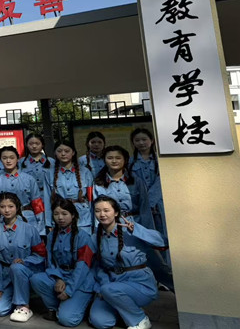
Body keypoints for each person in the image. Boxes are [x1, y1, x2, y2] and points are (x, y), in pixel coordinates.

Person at [93, 146, 173, 292]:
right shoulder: (99, 183)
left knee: (156, 263)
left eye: (118, 158)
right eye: (110, 158)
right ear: (104, 160)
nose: (114, 161)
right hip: (111, 227)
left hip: (135, 225)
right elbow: (97, 209)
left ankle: (180, 292)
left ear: (125, 160)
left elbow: (144, 207)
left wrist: (148, 232)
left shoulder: (136, 181)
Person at [89, 196, 165, 329]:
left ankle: (140, 320)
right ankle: (127, 309)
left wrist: (136, 230)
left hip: (140, 284)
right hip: (112, 285)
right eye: (97, 211)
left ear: (116, 212)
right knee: (100, 321)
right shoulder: (95, 237)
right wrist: (104, 284)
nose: (102, 214)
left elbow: (162, 242)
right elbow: (97, 266)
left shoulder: (130, 230)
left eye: (106, 210)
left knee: (109, 290)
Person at [30, 198, 96, 327]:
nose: (60, 217)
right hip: (62, 275)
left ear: (73, 215)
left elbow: (82, 267)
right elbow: (50, 261)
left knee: (67, 320)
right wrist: (58, 278)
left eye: (64, 213)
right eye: (56, 214)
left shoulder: (83, 237)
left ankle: (79, 305)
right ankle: (55, 308)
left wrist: (69, 290)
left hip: (80, 281)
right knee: (36, 279)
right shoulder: (51, 236)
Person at [0, 192, 46, 323]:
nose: (6, 210)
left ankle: (23, 305)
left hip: (25, 274)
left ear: (17, 207)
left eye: (10, 206)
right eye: (2, 207)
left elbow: (40, 254)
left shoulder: (30, 229)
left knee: (17, 267)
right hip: (5, 278)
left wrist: (25, 261)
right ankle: (14, 297)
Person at [0, 146, 44, 236]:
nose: (8, 161)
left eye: (12, 157)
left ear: (17, 159)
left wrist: (41, 230)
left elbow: (37, 204)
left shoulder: (29, 179)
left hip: (28, 219)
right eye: (4, 158)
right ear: (0, 160)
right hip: (4, 223)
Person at [46, 141, 94, 233]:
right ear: (55, 153)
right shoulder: (49, 173)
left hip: (83, 218)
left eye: (67, 151)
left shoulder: (85, 172)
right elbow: (47, 199)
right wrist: (49, 223)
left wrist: (93, 221)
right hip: (60, 217)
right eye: (59, 151)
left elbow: (91, 199)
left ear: (73, 153)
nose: (63, 154)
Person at [129, 129, 167, 242]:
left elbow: (161, 181)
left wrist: (150, 201)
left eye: (144, 139)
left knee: (163, 235)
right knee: (145, 235)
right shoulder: (130, 162)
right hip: (140, 204)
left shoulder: (160, 160)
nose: (141, 143)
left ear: (152, 140)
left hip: (160, 203)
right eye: (137, 140)